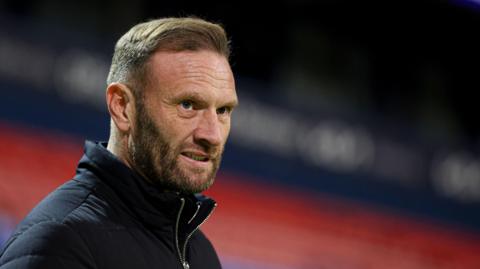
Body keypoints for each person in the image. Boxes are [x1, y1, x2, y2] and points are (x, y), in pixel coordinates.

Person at [0, 17, 238, 269]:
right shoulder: (60, 243)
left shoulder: (201, 254)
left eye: (223, 110)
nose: (212, 135)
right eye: (187, 105)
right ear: (122, 107)